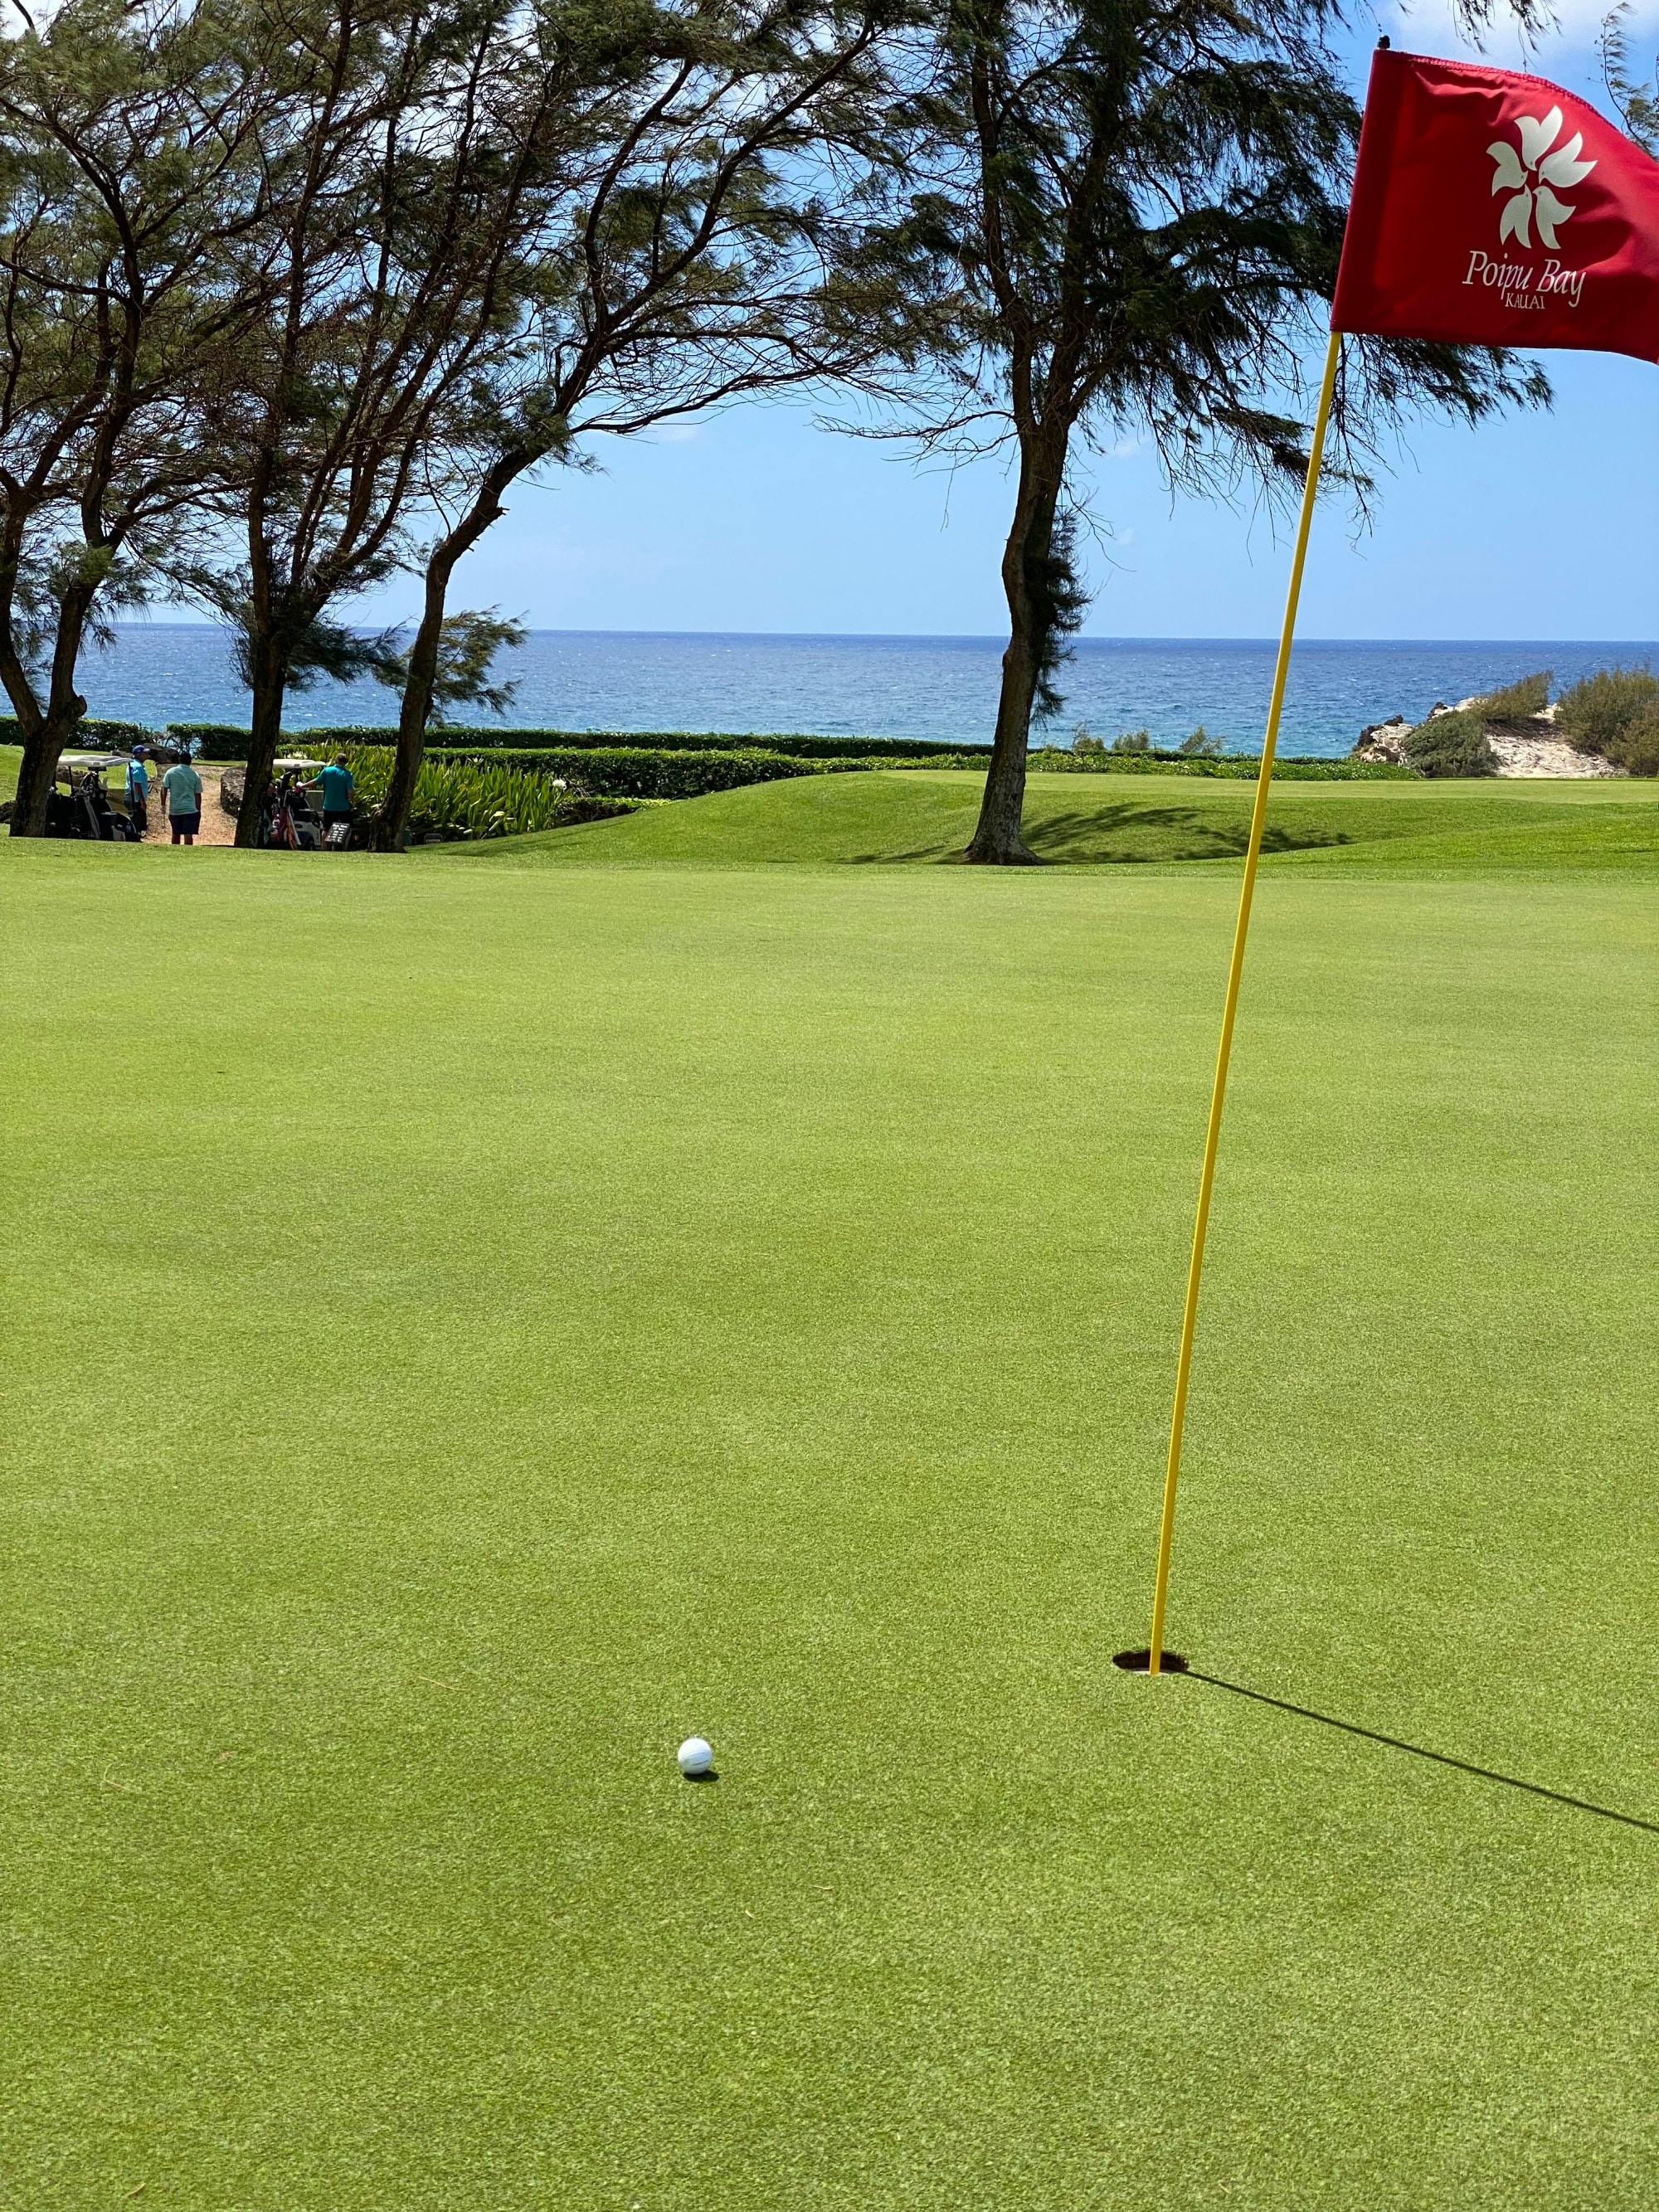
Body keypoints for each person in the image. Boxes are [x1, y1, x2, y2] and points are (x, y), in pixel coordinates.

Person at [311, 752, 354, 845]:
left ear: (336, 760)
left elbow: (315, 782)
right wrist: (352, 802)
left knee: (326, 828)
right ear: (346, 762)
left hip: (329, 806)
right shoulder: (348, 774)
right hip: (343, 807)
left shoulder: (327, 771)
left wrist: (303, 785)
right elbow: (350, 791)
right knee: (346, 827)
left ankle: (324, 848)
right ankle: (343, 847)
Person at [161, 754, 203, 846]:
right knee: (188, 835)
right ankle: (188, 855)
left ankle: (175, 854)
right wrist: (198, 810)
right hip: (191, 809)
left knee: (175, 834)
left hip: (175, 809)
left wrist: (163, 805)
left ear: (179, 760)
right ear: (190, 761)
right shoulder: (195, 775)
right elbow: (198, 794)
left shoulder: (170, 772)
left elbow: (164, 789)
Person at [124, 746, 150, 836]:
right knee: (138, 821)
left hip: (130, 796)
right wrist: (143, 801)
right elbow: (137, 785)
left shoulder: (131, 764)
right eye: (145, 753)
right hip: (136, 799)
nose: (147, 755)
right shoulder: (138, 767)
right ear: (139, 754)